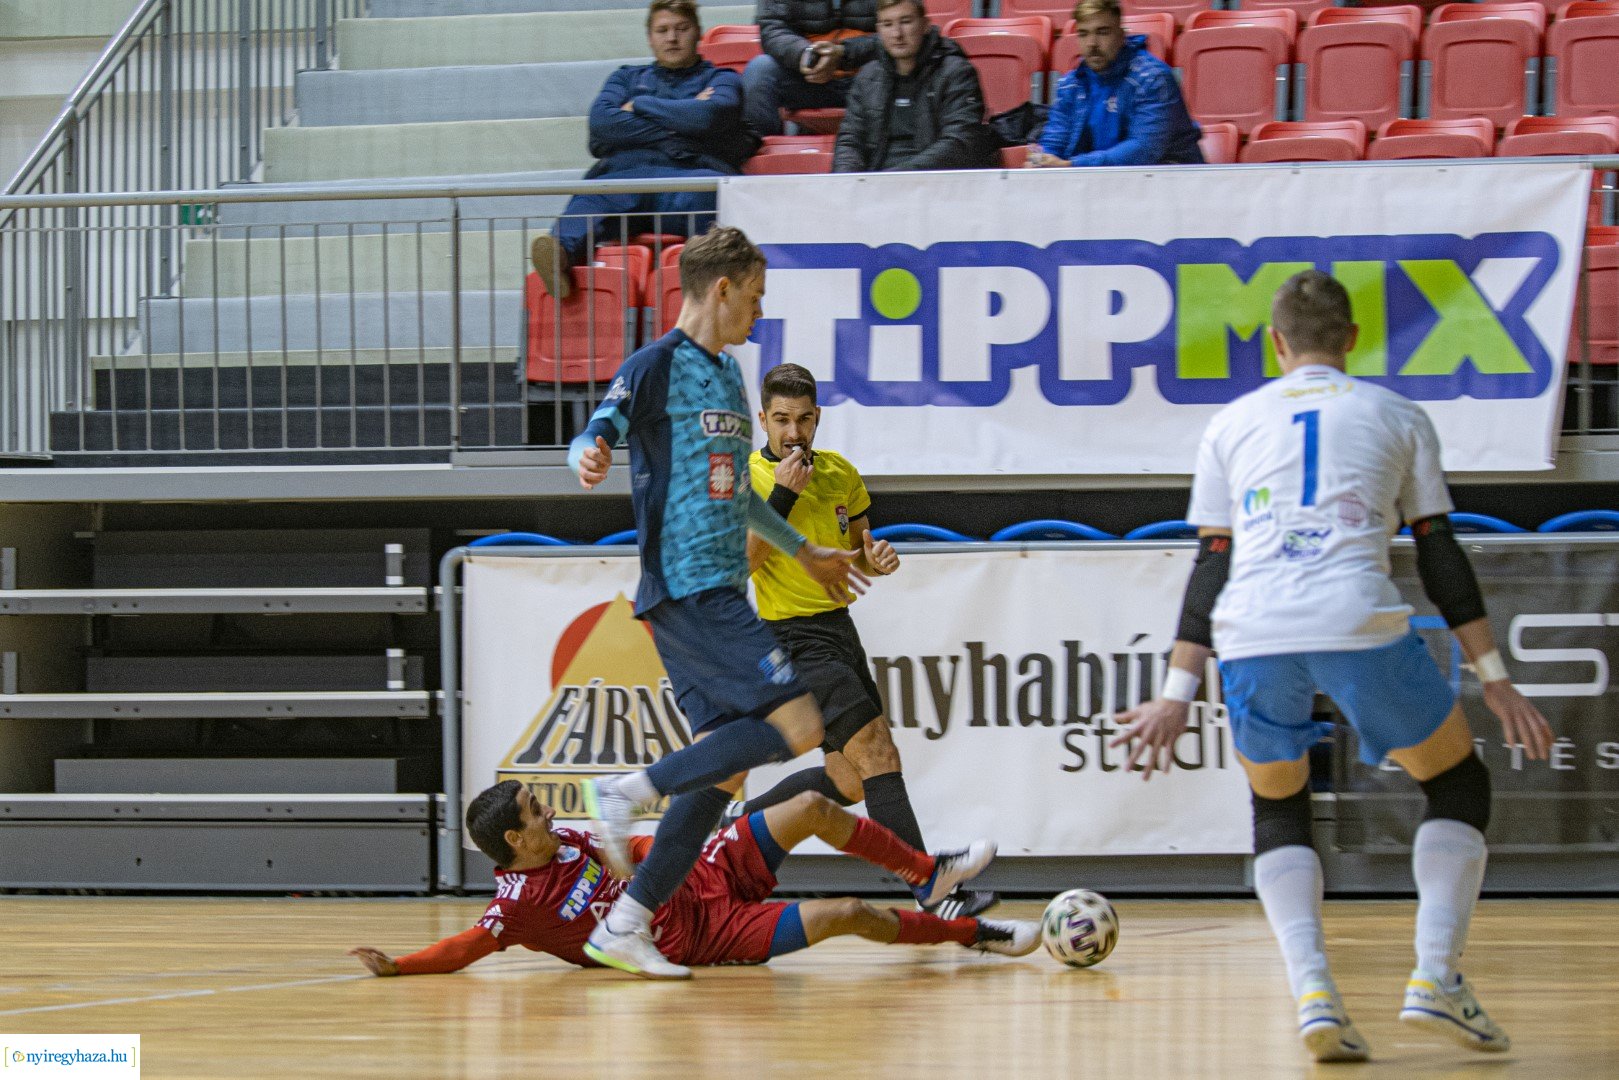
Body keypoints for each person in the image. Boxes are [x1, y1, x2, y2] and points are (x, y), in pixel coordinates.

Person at [1110, 270, 1553, 1063]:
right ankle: (1434, 976)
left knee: (1278, 806)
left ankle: (1314, 992)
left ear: (1274, 345)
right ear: (1350, 340)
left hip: (1249, 629)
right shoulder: (1394, 412)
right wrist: (1493, 674)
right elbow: (1438, 549)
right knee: (1455, 783)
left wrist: (1175, 692)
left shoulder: (1231, 422)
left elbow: (1212, 561)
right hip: (1354, 616)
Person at [566, 225, 992, 980]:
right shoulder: (656, 365)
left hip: (717, 586)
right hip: (690, 583)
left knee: (719, 778)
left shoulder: (729, 378)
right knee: (797, 724)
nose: (759, 315)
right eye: (755, 298)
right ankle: (627, 790)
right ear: (721, 289)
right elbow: (598, 428)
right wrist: (588, 454)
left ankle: (625, 923)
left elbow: (739, 502)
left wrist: (805, 549)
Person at [734, 363, 996, 922]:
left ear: (817, 418)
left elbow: (856, 554)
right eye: (781, 420)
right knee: (878, 752)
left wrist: (877, 560)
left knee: (847, 780)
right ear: (762, 419)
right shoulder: (747, 480)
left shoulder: (841, 475)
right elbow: (743, 563)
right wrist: (781, 497)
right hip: (790, 637)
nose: (793, 433)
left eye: (803, 420)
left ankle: (734, 829)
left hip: (838, 631)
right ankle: (932, 889)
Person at [348, 781, 1029, 978]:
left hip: (707, 872)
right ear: (513, 842)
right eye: (535, 811)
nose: (548, 809)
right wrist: (403, 966)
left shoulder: (570, 842)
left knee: (811, 807)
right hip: (702, 933)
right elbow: (467, 946)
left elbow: (642, 847)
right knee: (846, 912)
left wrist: (687, 840)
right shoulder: (518, 904)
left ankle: (928, 873)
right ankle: (975, 932)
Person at [527, 0, 758, 300]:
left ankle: (710, 287)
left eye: (681, 29)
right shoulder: (625, 77)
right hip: (629, 179)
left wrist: (639, 105)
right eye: (662, 30)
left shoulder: (722, 78)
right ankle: (559, 258)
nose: (672, 38)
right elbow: (602, 123)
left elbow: (708, 116)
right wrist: (683, 123)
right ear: (650, 37)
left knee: (711, 195)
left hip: (687, 180)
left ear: (698, 33)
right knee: (593, 195)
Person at [1027, 0, 1201, 169]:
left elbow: (1143, 150)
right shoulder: (1071, 85)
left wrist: (1074, 164)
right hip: (1098, 184)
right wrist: (1041, 160)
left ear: (1121, 35)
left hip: (1170, 182)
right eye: (1083, 34)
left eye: (1102, 32)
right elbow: (1054, 140)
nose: (1092, 43)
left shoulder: (1153, 79)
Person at [831, 0, 999, 173]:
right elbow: (850, 141)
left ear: (925, 25)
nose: (897, 34)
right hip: (876, 185)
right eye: (887, 24)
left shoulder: (956, 73)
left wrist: (896, 178)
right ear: (878, 30)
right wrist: (847, 183)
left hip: (937, 185)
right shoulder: (867, 77)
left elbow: (961, 141)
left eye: (905, 22)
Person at [744, 0, 879, 138]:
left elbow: (897, 29)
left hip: (874, 77)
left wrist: (844, 53)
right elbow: (773, 28)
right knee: (760, 70)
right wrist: (808, 55)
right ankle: (765, 154)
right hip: (810, 76)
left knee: (895, 62)